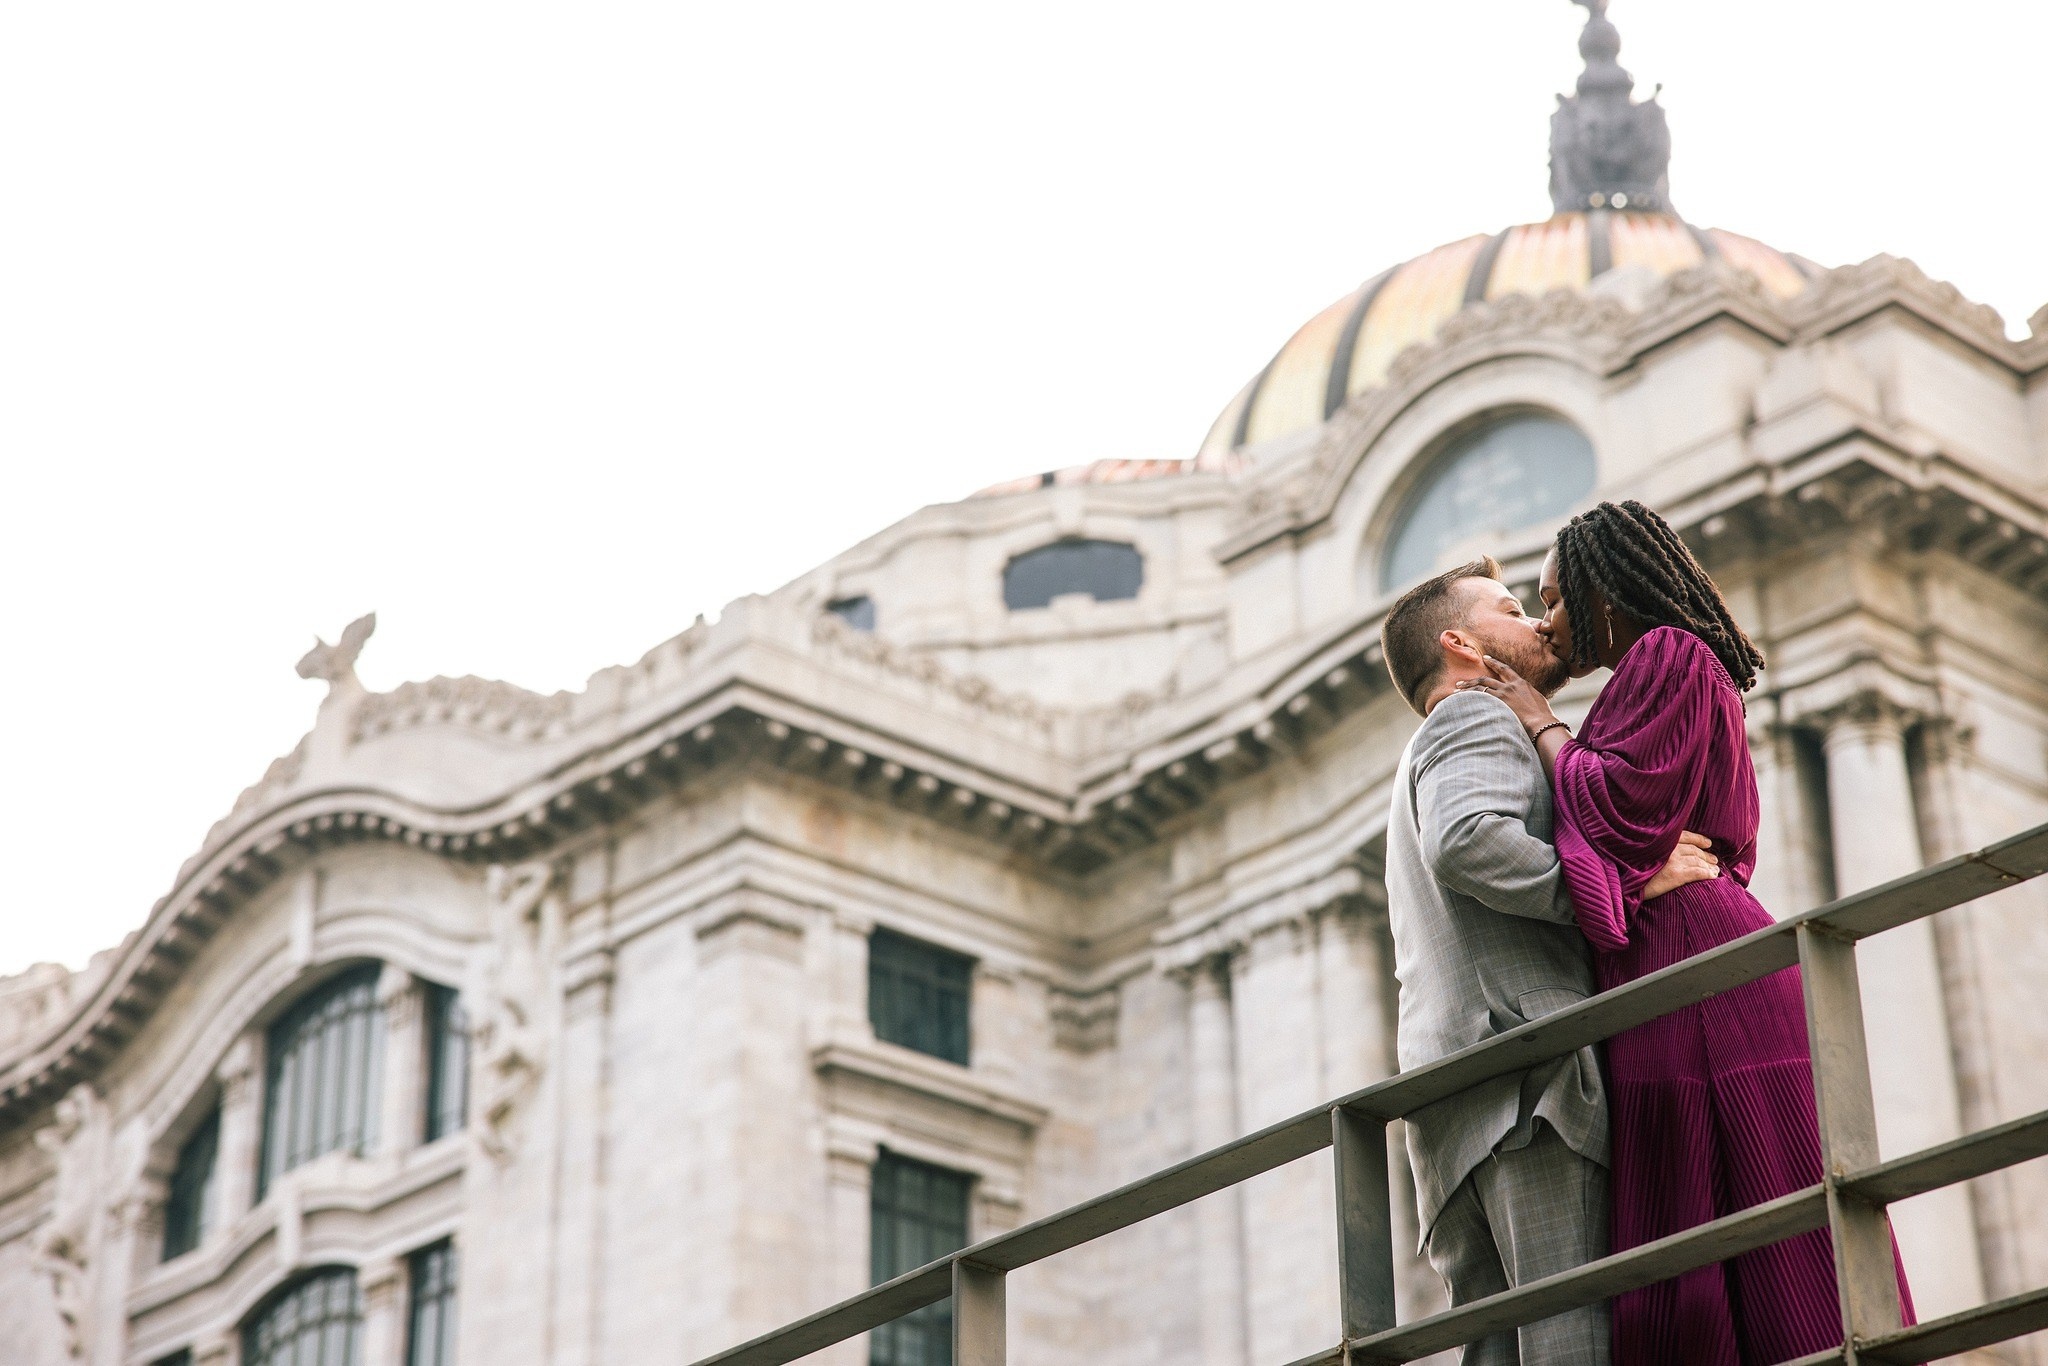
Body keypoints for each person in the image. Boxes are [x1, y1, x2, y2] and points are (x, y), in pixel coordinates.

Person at [1456, 501, 1916, 1365]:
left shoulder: (1669, 652)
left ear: (1606, 593)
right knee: (1726, 1209)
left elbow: (1620, 811)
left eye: (1555, 599)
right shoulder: (1667, 670)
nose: (1549, 622)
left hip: (1695, 964)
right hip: (1675, 956)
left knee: (1747, 1206)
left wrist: (1541, 723)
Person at [1379, 555, 1722, 1366]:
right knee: (1576, 1341)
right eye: (1508, 610)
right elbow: (1469, 843)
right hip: (1530, 1091)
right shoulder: (1476, 716)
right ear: (1461, 643)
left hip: (1458, 1106)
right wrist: (1623, 886)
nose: (1536, 623)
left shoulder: (1419, 756)